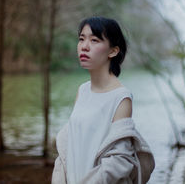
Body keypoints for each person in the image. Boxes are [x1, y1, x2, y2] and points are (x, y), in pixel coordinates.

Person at [52, 16, 155, 184]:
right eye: (81, 39)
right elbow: (69, 148)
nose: (84, 47)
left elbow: (119, 161)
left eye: (94, 40)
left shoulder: (121, 97)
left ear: (113, 51)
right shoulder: (82, 90)